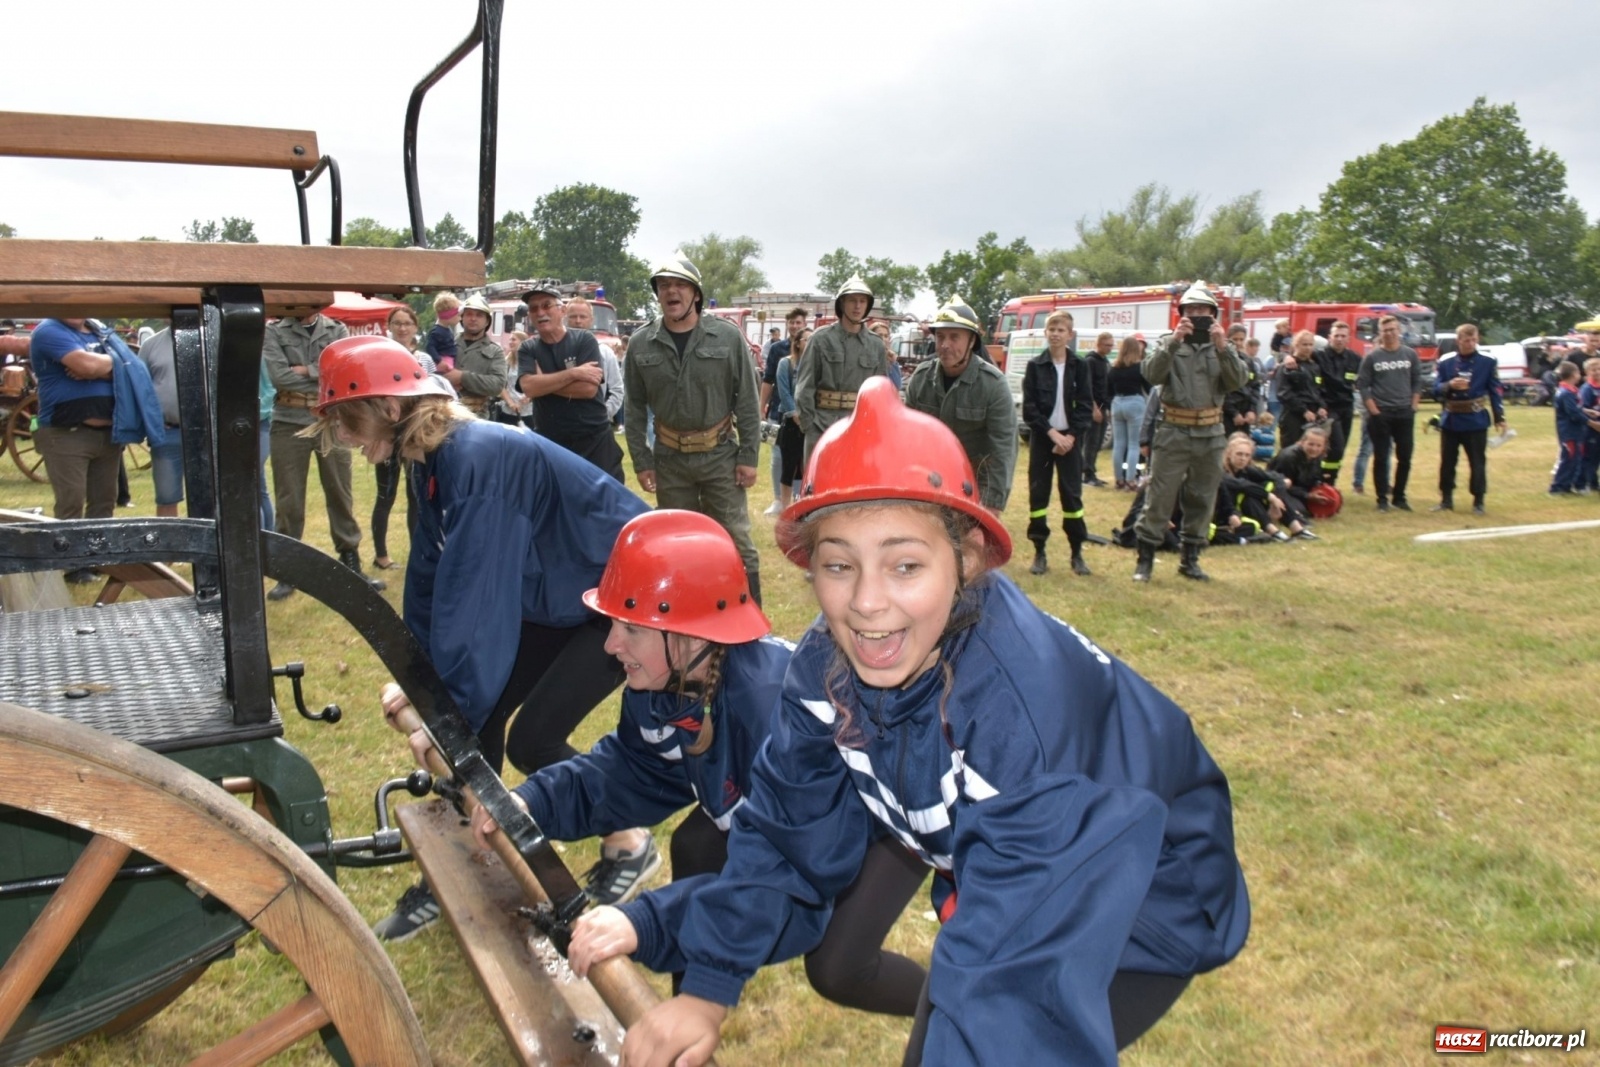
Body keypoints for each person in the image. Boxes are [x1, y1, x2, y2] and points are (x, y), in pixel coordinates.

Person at [594, 378, 1249, 1067]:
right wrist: (708, 988)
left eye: (905, 563)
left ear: (966, 558)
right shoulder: (826, 666)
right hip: (1003, 879)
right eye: (839, 564)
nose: (868, 602)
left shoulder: (1016, 715)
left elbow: (1017, 993)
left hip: (1145, 904)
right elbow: (787, 839)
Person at [472, 508, 928, 1016]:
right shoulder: (667, 683)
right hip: (783, 818)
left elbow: (792, 872)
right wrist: (532, 802)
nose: (609, 645)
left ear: (690, 637)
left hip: (879, 821)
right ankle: (686, 1021)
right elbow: (631, 772)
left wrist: (642, 924)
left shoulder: (769, 711)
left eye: (631, 629)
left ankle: (954, 1014)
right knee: (697, 844)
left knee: (837, 966)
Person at [304, 335, 656, 939]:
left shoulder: (477, 456)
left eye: (347, 420)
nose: (344, 439)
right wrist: (420, 681)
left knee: (534, 737)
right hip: (563, 590)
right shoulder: (431, 458)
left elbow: (480, 598)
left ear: (390, 408)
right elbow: (432, 574)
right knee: (475, 723)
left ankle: (630, 844)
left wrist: (446, 710)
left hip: (622, 597)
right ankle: (467, 862)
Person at [624, 255, 764, 603]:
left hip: (720, 457)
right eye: (664, 285)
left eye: (680, 285)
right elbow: (634, 407)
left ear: (696, 294)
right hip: (670, 461)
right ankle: (691, 612)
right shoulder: (641, 343)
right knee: (678, 541)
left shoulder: (727, 337)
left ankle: (753, 619)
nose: (672, 291)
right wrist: (642, 461)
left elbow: (747, 399)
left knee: (736, 540)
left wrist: (748, 456)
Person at [1131, 284, 1250, 583]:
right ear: (1182, 314)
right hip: (1173, 430)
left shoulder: (1224, 347)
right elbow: (1151, 374)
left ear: (1213, 314)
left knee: (1202, 496)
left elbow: (1237, 381)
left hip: (1210, 433)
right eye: (1191, 310)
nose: (1197, 315)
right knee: (1159, 495)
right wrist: (1174, 342)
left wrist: (1223, 348)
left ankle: (1190, 559)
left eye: (1203, 311)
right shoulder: (1167, 343)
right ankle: (1145, 561)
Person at [261, 308, 382, 599]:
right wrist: (318, 372)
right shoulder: (273, 331)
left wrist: (304, 370)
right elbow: (280, 378)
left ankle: (350, 560)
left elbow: (341, 371)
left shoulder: (336, 329)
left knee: (341, 492)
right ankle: (287, 570)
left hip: (331, 418)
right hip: (288, 419)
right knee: (289, 497)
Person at [905, 296, 1018, 513]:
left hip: (973, 486)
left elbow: (1003, 449)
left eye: (954, 337)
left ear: (972, 341)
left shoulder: (993, 385)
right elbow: (907, 438)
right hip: (928, 484)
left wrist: (991, 505)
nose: (945, 345)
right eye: (940, 337)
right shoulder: (920, 379)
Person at [29, 317, 123, 569]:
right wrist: (109, 368)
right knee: (71, 501)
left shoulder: (99, 329)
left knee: (104, 500)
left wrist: (99, 370)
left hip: (108, 433)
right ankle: (71, 566)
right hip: (66, 433)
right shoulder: (49, 330)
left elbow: (132, 364)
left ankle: (96, 560)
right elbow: (86, 364)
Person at [518, 283, 625, 482]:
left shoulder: (584, 340)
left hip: (594, 441)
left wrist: (544, 383)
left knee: (605, 506)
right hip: (551, 443)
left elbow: (588, 389)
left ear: (562, 310)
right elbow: (528, 387)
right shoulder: (528, 348)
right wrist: (574, 373)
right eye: (534, 308)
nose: (540, 312)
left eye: (547, 305)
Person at [1021, 309, 1094, 576]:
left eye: (1060, 330)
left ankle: (1077, 554)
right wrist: (1053, 435)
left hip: (1070, 442)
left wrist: (1070, 437)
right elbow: (1030, 410)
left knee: (1072, 496)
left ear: (1069, 335)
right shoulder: (1035, 366)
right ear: (1045, 333)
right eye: (1051, 329)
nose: (1055, 334)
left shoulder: (1080, 366)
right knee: (1038, 495)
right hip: (1044, 440)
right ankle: (1039, 552)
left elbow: (1086, 406)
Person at [797, 275, 890, 463]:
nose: (857, 306)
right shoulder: (820, 339)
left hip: (860, 430)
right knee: (818, 486)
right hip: (822, 427)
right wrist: (810, 425)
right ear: (842, 304)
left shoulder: (876, 345)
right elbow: (805, 386)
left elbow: (881, 393)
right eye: (852, 301)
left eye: (862, 301)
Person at [371, 305, 434, 570]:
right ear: (389, 326)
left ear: (415, 327)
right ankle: (381, 555)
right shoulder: (378, 356)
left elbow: (431, 393)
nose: (402, 328)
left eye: (407, 323)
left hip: (414, 432)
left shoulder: (425, 359)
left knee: (415, 496)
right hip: (387, 433)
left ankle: (415, 552)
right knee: (385, 495)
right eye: (397, 323)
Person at [1430, 323, 1507, 514]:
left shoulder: (1487, 361)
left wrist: (1500, 416)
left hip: (1475, 418)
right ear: (1458, 341)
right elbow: (1435, 389)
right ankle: (1446, 499)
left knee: (1477, 461)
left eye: (1474, 340)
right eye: (1466, 340)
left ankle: (1478, 501)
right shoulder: (1446, 361)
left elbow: (1495, 390)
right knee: (1447, 461)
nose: (1471, 344)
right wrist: (1449, 385)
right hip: (1452, 418)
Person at [1355, 314, 1422, 512]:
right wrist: (1374, 412)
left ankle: (1400, 496)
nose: (1390, 333)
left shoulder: (1410, 355)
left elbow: (1417, 381)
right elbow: (1363, 386)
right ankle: (1382, 499)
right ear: (1380, 334)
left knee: (1405, 456)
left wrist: (1414, 406)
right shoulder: (1372, 358)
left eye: (1393, 329)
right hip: (1381, 414)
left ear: (1399, 331)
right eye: (1385, 331)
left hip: (1404, 412)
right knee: (1381, 457)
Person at [760, 308, 808, 514]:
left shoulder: (814, 346)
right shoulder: (777, 349)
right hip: (779, 411)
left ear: (804, 323)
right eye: (792, 323)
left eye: (799, 323)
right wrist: (762, 405)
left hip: (805, 416)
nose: (795, 326)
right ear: (787, 324)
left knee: (801, 458)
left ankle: (798, 500)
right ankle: (779, 500)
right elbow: (768, 379)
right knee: (778, 456)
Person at [134, 326, 185, 518]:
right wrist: (151, 421)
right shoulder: (151, 345)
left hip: (208, 432)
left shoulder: (213, 338)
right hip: (168, 431)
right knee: (166, 497)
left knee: (211, 496)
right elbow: (140, 388)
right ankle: (170, 545)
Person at [442, 294, 510, 417]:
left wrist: (463, 377)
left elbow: (498, 385)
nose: (473, 318)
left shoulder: (495, 351)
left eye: (479, 315)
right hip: (446, 414)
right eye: (469, 314)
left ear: (487, 321)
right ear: (461, 318)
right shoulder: (446, 345)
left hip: (477, 416)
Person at [1312, 321, 1362, 486]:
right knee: (1336, 447)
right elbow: (1298, 355)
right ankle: (1323, 480)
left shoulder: (1355, 359)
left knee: (1340, 450)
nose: (1339, 339)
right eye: (1336, 336)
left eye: (1343, 336)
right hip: (1327, 408)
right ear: (1329, 337)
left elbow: (1365, 380)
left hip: (1346, 408)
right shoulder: (1318, 356)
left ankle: (1330, 481)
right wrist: (1290, 357)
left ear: (1348, 338)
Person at [565, 296, 625, 430]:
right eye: (573, 316)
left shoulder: (605, 352)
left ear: (591, 320)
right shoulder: (555, 349)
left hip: (594, 426)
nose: (578, 321)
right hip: (561, 423)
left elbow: (617, 389)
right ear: (565, 318)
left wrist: (603, 414)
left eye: (583, 317)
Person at [1265, 427, 1327, 540]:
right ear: (1302, 442)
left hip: (1299, 491)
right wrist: (1307, 496)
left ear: (1323, 447)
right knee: (1300, 509)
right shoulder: (1288, 457)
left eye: (1318, 446)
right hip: (1279, 492)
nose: (1314, 449)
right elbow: (1281, 486)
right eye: (1311, 444)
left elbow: (1314, 479)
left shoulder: (1317, 458)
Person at [772, 327, 810, 512]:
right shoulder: (786, 364)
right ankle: (786, 507)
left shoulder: (816, 365)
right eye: (806, 340)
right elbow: (784, 392)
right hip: (791, 422)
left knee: (808, 467)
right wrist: (794, 414)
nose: (809, 344)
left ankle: (804, 505)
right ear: (797, 343)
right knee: (789, 466)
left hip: (811, 422)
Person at [1107, 335, 1149, 491]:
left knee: (1118, 445)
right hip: (1135, 402)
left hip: (1117, 403)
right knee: (1133, 445)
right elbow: (1149, 388)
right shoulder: (1140, 367)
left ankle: (1119, 479)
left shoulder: (1114, 368)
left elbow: (1108, 389)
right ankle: (1131, 479)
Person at [1275, 331, 1325, 450]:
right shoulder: (1288, 366)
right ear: (1296, 345)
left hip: (1313, 415)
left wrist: (1322, 406)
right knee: (1291, 451)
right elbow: (1283, 393)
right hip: (1293, 416)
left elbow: (1318, 390)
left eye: (1310, 344)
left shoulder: (1315, 367)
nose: (1308, 348)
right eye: (1304, 344)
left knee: (1311, 452)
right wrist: (1303, 410)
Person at [1549, 361, 1589, 494]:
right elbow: (1573, 413)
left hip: (1576, 431)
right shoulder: (1566, 393)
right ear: (1573, 375)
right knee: (1569, 458)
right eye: (1577, 372)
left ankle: (1567, 485)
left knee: (1575, 458)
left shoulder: (1572, 390)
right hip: (1569, 431)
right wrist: (1590, 422)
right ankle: (1558, 486)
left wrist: (1588, 411)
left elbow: (1577, 408)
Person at [1080, 329, 1113, 487]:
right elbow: (1087, 387)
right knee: (1091, 441)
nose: (1110, 348)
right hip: (1093, 408)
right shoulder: (1090, 361)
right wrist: (1094, 409)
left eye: (1112, 346)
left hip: (1104, 406)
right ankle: (1087, 474)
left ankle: (1091, 471)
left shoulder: (1105, 362)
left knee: (1099, 441)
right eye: (1107, 345)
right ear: (1098, 344)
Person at [1579, 357, 1600, 493]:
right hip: (1592, 429)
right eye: (1594, 370)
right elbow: (1582, 410)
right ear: (1587, 372)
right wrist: (1594, 425)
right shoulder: (1586, 389)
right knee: (1590, 457)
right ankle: (1589, 483)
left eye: (1599, 369)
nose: (1597, 372)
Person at [425, 292, 460, 370]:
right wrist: (439, 361)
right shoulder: (437, 332)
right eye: (458, 315)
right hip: (444, 363)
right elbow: (429, 347)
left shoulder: (447, 330)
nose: (460, 318)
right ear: (448, 315)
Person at [868, 319, 904, 390]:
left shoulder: (889, 359)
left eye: (886, 336)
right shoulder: (866, 356)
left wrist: (893, 362)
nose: (883, 339)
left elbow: (897, 386)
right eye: (880, 335)